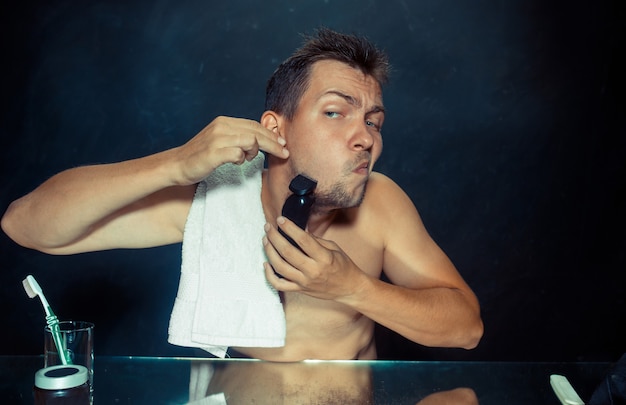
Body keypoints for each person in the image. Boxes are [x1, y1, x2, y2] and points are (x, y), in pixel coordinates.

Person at [1, 28, 483, 361]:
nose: (366, 137)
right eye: (336, 112)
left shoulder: (381, 202)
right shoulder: (215, 202)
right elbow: (25, 225)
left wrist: (352, 287)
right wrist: (174, 164)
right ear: (277, 129)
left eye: (374, 121)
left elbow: (466, 328)